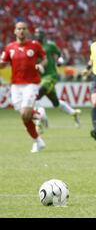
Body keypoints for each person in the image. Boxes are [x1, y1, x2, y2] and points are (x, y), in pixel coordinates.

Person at [0, 22, 48, 153]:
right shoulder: (9, 47)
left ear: (27, 31)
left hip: (31, 83)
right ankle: (38, 140)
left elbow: (45, 59)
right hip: (16, 85)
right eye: (19, 29)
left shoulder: (35, 45)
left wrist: (41, 65)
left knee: (25, 113)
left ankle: (37, 114)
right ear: (15, 31)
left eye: (24, 29)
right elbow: (3, 64)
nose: (21, 31)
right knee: (24, 116)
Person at [33, 28, 81, 130]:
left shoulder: (50, 45)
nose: (38, 36)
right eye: (37, 34)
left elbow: (59, 55)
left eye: (40, 34)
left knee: (35, 97)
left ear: (43, 35)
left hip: (50, 75)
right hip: (39, 78)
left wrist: (59, 61)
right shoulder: (32, 47)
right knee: (55, 103)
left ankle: (40, 120)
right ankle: (73, 113)